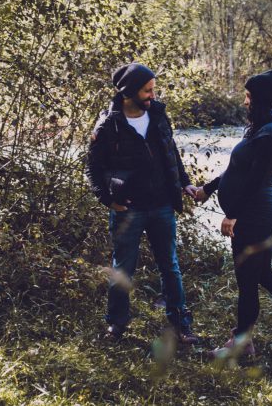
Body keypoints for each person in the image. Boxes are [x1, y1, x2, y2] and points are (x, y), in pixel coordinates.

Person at [191, 69, 272, 359]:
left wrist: (233, 214)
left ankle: (241, 343)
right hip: (261, 213)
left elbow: (255, 179)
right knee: (261, 273)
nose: (245, 101)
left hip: (257, 215)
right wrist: (207, 189)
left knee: (247, 280)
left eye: (249, 96)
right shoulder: (264, 128)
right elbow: (237, 170)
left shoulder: (269, 133)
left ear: (260, 99)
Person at [85, 63, 201, 344]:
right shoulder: (108, 125)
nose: (153, 95)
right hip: (128, 209)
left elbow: (170, 152)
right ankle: (116, 325)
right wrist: (106, 200)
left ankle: (181, 325)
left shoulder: (158, 115)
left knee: (169, 265)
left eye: (153, 89)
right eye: (147, 90)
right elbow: (93, 168)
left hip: (162, 205)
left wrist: (184, 182)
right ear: (129, 92)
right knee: (122, 268)